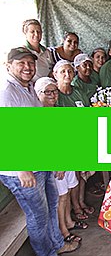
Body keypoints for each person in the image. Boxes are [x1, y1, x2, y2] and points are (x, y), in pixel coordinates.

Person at [0, 48, 80, 256]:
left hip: (40, 160)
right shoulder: (7, 92)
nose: (27, 67)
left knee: (52, 204)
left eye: (31, 63)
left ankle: (57, 244)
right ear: (8, 66)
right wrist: (21, 168)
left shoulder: (27, 88)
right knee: (38, 214)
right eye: (21, 63)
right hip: (22, 169)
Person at [34, 77, 87, 244]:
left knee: (66, 194)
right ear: (38, 94)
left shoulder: (56, 110)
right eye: (47, 92)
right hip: (56, 165)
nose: (52, 95)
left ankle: (69, 222)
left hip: (66, 159)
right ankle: (63, 231)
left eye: (54, 91)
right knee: (60, 197)